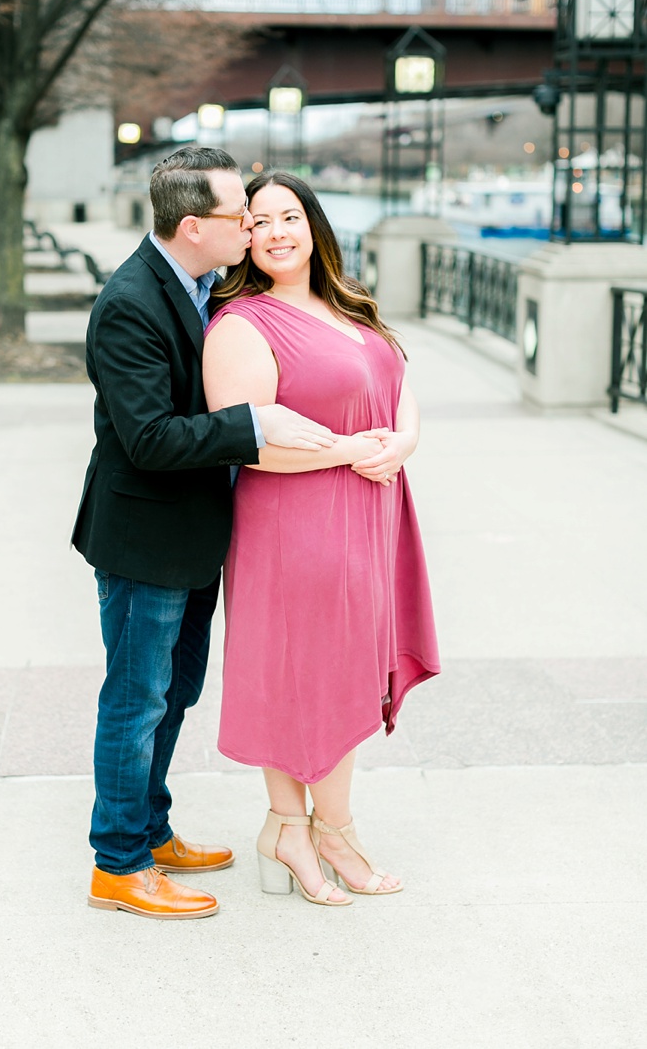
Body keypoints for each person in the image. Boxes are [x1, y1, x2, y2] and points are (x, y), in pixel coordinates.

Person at [71, 147, 358, 921]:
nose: (252, 227)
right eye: (241, 217)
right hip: (144, 539)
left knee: (173, 694)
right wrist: (253, 423)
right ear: (193, 226)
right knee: (135, 701)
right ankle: (119, 864)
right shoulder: (130, 302)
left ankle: (151, 829)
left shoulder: (197, 284)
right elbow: (151, 440)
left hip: (193, 536)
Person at [202, 172, 440, 907]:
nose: (276, 231)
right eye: (260, 220)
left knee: (347, 671)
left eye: (289, 216)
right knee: (308, 675)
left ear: (312, 225)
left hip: (371, 511)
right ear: (243, 235)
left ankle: (293, 829)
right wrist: (348, 451)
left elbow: (399, 389)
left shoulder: (349, 304)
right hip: (294, 522)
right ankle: (317, 830)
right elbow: (244, 442)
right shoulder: (242, 322)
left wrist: (399, 444)